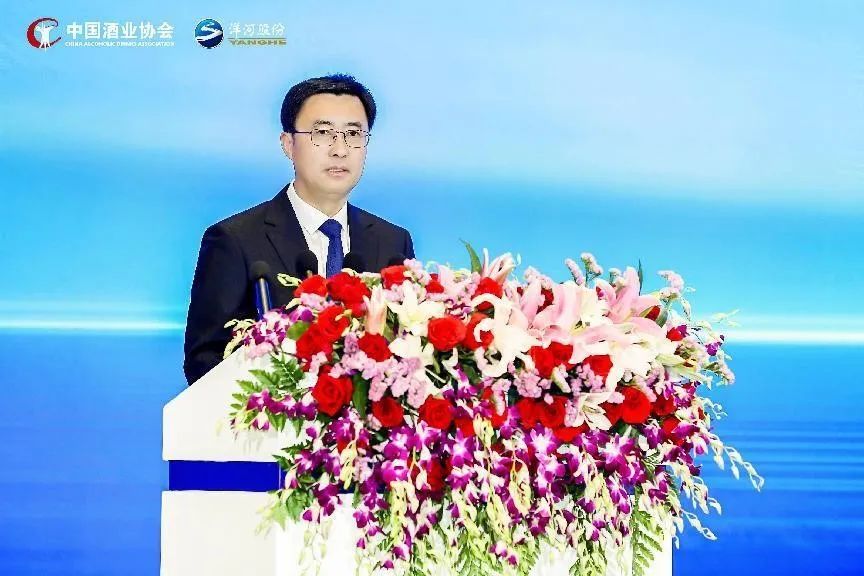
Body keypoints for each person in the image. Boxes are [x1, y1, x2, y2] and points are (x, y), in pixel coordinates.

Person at [183, 74, 415, 384]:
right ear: (288, 144)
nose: (340, 149)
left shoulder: (393, 242)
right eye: (323, 133)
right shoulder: (234, 240)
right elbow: (204, 361)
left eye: (353, 134)